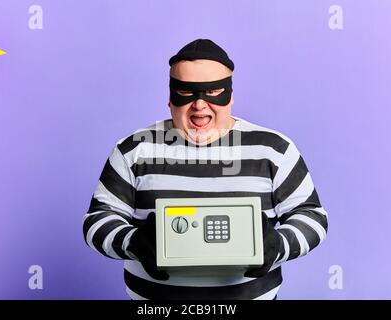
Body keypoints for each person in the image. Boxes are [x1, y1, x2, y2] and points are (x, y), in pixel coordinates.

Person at [82, 39, 328, 300]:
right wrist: (132, 242)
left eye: (213, 92)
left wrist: (278, 245)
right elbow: (97, 219)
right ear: (169, 99)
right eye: (186, 93)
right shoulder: (134, 149)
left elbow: (312, 216)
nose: (199, 105)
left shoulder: (274, 149)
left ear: (230, 97)